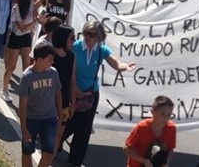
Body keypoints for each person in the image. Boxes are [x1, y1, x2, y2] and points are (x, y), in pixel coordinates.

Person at [61, 20, 136, 166]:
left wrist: (124, 67)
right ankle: (54, 147)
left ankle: (75, 161)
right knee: (67, 123)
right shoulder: (75, 47)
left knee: (84, 130)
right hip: (73, 92)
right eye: (86, 33)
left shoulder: (101, 50)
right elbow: (68, 68)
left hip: (90, 95)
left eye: (91, 34)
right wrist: (74, 91)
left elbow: (115, 63)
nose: (87, 36)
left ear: (99, 36)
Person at [18, 43, 62, 167]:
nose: (52, 62)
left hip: (49, 118)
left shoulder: (53, 73)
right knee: (27, 151)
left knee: (49, 152)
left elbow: (58, 94)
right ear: (39, 60)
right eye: (50, 60)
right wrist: (24, 129)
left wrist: (60, 116)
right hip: (32, 118)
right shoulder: (27, 77)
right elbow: (22, 105)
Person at [1, 0, 39, 103]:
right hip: (16, 37)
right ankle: (4, 90)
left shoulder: (32, 6)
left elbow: (42, 3)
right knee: (11, 66)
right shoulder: (16, 8)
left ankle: (27, 92)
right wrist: (35, 21)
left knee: (26, 67)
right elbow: (22, 28)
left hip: (27, 39)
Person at [123, 95, 177, 167]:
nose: (166, 118)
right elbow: (126, 148)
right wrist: (143, 161)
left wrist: (166, 162)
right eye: (162, 114)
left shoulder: (171, 128)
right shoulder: (141, 127)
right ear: (153, 112)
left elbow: (170, 149)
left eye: (169, 115)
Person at [51, 25, 77, 158]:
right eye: (72, 38)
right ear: (62, 39)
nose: (74, 41)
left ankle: (51, 157)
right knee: (47, 131)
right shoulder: (50, 55)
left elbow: (72, 81)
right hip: (48, 100)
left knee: (59, 133)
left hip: (64, 102)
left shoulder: (71, 56)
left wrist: (73, 102)